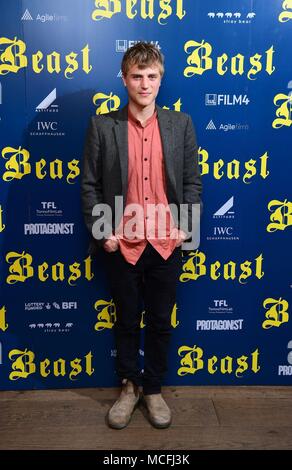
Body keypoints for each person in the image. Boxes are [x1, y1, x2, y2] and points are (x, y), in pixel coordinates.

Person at [81, 41, 202, 429]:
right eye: (137, 76)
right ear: (124, 79)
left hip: (167, 242)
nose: (144, 84)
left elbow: (191, 182)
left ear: (160, 78)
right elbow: (90, 185)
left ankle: (153, 390)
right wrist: (104, 233)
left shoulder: (180, 124)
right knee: (127, 321)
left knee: (162, 322)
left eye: (151, 76)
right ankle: (129, 386)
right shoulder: (103, 125)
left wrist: (187, 227)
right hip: (123, 244)